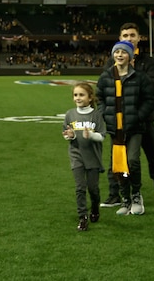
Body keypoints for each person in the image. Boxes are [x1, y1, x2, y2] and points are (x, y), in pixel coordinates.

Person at [101, 23, 154, 208]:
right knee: (117, 157)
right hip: (120, 121)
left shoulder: (148, 61)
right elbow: (104, 90)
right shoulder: (112, 62)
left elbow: (151, 86)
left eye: (132, 35)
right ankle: (115, 193)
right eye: (125, 35)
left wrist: (131, 70)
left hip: (143, 119)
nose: (129, 38)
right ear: (120, 38)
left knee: (152, 155)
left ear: (139, 38)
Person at [97, 41, 154, 216]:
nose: (120, 55)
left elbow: (149, 100)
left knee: (133, 161)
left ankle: (136, 194)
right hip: (115, 129)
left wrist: (138, 116)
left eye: (124, 52)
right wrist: (105, 114)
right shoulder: (106, 76)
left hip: (135, 127)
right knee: (119, 165)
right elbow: (99, 97)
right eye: (117, 52)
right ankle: (125, 198)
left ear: (130, 56)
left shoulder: (140, 77)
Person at [62, 82, 105, 231]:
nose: (78, 98)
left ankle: (95, 208)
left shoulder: (96, 115)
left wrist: (91, 135)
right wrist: (70, 136)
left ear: (90, 97)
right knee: (80, 187)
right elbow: (66, 134)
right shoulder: (70, 114)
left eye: (81, 95)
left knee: (93, 188)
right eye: (75, 95)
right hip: (76, 155)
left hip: (92, 157)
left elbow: (102, 136)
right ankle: (83, 217)